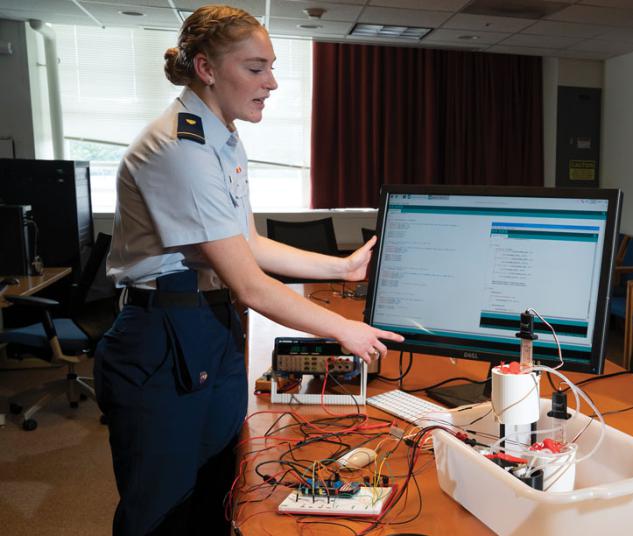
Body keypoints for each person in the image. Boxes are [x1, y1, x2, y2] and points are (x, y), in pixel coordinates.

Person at [93, 6, 403, 535]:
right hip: (162, 336)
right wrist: (344, 329)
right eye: (256, 68)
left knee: (220, 493)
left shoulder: (223, 137)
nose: (273, 83)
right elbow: (251, 284)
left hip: (207, 324)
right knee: (163, 511)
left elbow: (247, 244)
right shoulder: (179, 147)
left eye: (273, 67)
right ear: (207, 69)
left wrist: (342, 267)